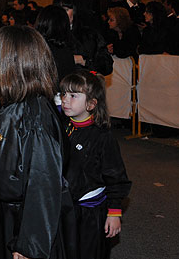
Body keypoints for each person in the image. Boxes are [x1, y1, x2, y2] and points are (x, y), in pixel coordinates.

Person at [0, 25, 75, 259]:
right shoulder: (22, 106)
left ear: (10, 67)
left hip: (24, 223)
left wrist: (30, 246)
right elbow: (13, 155)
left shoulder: (34, 117)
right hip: (11, 216)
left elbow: (43, 182)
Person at [60, 70, 131, 259]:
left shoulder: (102, 137)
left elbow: (116, 177)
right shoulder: (61, 128)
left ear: (91, 104)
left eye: (73, 95)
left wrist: (114, 213)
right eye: (64, 94)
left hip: (89, 213)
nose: (65, 99)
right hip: (64, 208)